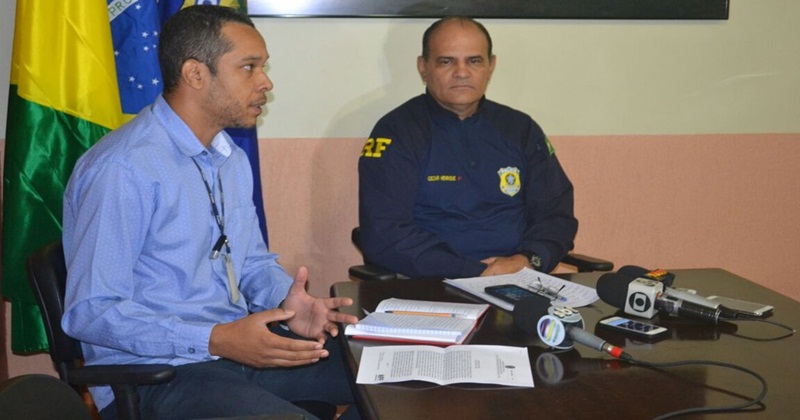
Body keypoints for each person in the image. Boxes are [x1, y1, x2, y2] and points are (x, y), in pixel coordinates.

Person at [62, 6, 359, 419]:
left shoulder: (229, 157)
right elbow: (91, 312)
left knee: (396, 377)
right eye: (249, 68)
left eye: (263, 67)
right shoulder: (123, 169)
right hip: (157, 376)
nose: (266, 82)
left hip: (233, 352)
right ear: (196, 74)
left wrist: (289, 304)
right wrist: (214, 339)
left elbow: (251, 263)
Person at [358, 16, 578, 279]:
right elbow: (385, 233)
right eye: (446, 61)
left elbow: (555, 214)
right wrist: (476, 272)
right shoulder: (397, 132)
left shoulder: (521, 129)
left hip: (519, 278)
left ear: (490, 65)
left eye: (474, 61)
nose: (461, 72)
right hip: (431, 283)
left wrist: (528, 260)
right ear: (423, 67)